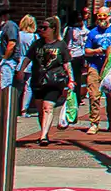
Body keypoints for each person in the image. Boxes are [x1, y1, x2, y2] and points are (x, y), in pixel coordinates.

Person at [17, 17, 73, 146]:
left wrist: (71, 79)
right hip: (38, 80)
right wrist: (21, 70)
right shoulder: (37, 44)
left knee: (48, 107)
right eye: (40, 27)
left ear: (53, 29)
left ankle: (43, 136)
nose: (41, 30)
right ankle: (44, 131)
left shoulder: (60, 45)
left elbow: (67, 63)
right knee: (40, 109)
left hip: (55, 80)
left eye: (45, 28)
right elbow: (28, 58)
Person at [86, 8, 111, 135]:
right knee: (94, 95)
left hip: (110, 67)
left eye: (104, 16)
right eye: (99, 16)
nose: (101, 18)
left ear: (109, 16)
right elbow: (87, 50)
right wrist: (96, 51)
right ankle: (94, 123)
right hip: (95, 66)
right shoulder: (92, 32)